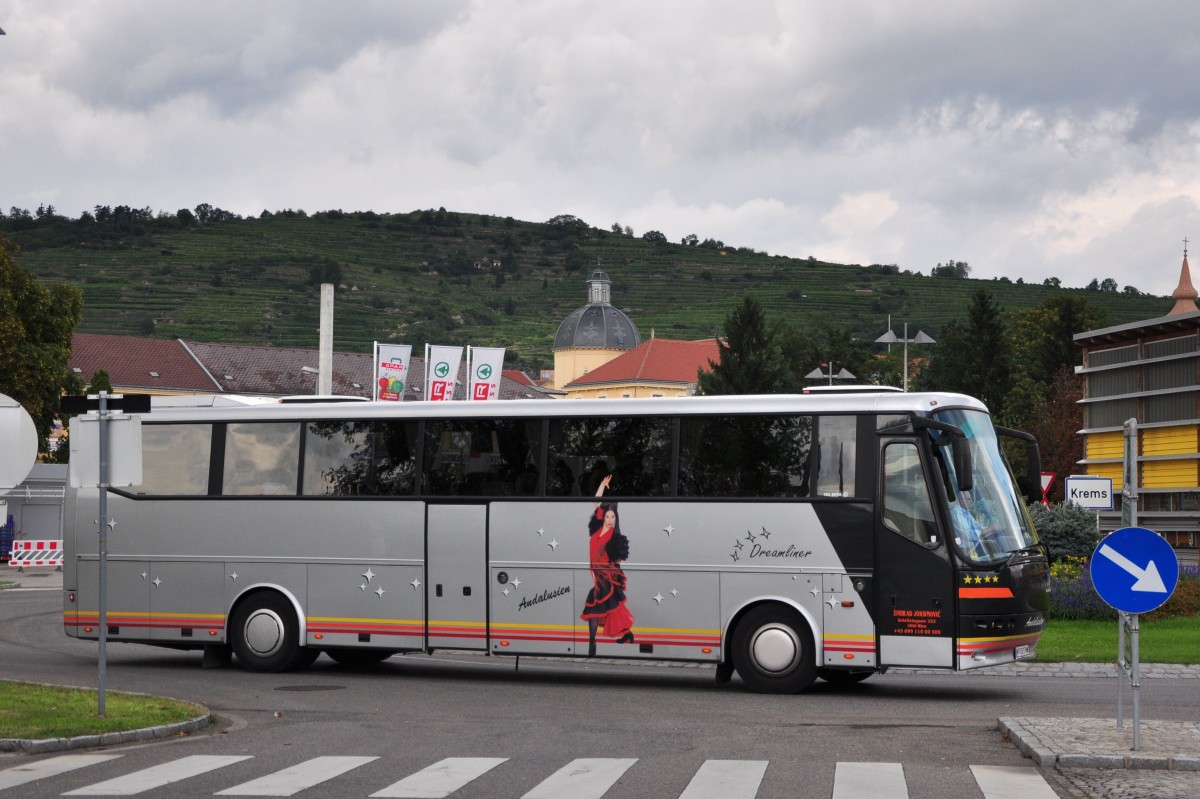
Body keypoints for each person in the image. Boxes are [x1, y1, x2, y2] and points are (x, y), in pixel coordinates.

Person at [580, 474, 635, 656]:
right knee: (607, 607)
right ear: (604, 517)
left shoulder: (613, 536)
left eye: (613, 517)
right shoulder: (596, 530)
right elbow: (596, 504)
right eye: (608, 516)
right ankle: (621, 635)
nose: (611, 519)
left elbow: (621, 557)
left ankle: (593, 643)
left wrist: (614, 562)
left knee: (598, 606)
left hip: (606, 575)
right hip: (597, 574)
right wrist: (603, 485)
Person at [950, 489, 998, 557]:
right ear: (961, 500)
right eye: (969, 499)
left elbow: (978, 526)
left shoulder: (965, 512)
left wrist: (991, 528)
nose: (971, 502)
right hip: (965, 551)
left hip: (975, 546)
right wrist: (989, 529)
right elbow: (971, 535)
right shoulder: (956, 514)